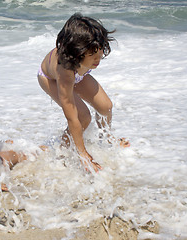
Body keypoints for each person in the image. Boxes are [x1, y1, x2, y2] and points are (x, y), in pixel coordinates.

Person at [37, 13, 129, 172]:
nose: (98, 58)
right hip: (50, 79)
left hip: (78, 75)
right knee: (83, 117)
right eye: (92, 54)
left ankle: (106, 139)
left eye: (99, 51)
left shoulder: (86, 53)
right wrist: (83, 153)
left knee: (106, 106)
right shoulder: (64, 73)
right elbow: (71, 117)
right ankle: (63, 149)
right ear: (77, 53)